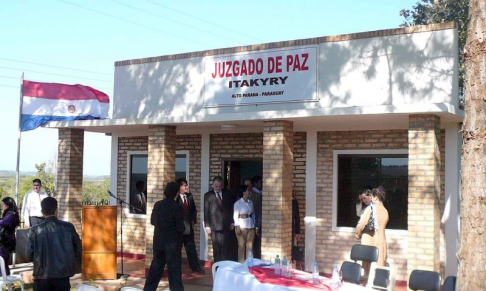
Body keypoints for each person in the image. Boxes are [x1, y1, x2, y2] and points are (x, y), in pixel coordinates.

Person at [27, 197, 82, 291]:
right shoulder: (68, 227)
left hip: (42, 276)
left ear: (42, 212)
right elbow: (78, 249)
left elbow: (29, 254)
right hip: (62, 274)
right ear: (57, 210)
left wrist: (39, 263)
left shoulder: (34, 230)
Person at [144, 182, 185, 291]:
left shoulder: (158, 204)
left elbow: (153, 221)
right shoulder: (177, 207)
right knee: (174, 272)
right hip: (172, 244)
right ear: (176, 193)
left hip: (158, 242)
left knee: (155, 269)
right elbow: (180, 228)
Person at [355, 186, 389, 275]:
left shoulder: (370, 209)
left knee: (368, 271)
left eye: (372, 197)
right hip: (381, 241)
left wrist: (357, 234)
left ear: (376, 197)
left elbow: (361, 224)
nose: (371, 199)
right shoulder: (385, 210)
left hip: (370, 242)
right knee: (379, 268)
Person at [176, 178, 205, 274]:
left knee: (191, 247)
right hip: (178, 229)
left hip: (188, 227)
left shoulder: (189, 196)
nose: (187, 187)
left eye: (187, 185)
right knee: (177, 249)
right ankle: (177, 269)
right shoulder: (176, 198)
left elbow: (194, 210)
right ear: (180, 187)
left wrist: (193, 220)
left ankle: (195, 267)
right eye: (185, 185)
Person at [204, 176, 235, 262]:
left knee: (226, 247)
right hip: (214, 226)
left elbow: (231, 209)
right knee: (216, 248)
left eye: (219, 186)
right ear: (213, 185)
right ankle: (217, 266)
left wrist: (232, 222)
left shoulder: (228, 194)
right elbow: (206, 211)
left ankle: (225, 266)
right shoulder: (208, 195)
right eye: (216, 186)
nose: (218, 188)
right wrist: (207, 226)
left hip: (226, 224)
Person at [233, 185, 256, 263]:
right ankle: (241, 263)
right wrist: (237, 226)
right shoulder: (238, 203)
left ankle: (249, 262)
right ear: (243, 192)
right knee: (241, 246)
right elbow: (235, 216)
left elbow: (253, 214)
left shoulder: (250, 202)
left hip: (250, 225)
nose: (249, 192)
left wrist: (254, 224)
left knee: (250, 245)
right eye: (247, 191)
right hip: (242, 226)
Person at [0, 197, 20, 275]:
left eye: (3, 204)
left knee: (2, 261)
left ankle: (6, 281)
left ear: (7, 205)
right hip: (7, 242)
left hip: (6, 242)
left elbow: (6, 221)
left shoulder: (10, 214)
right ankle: (9, 284)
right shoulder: (11, 213)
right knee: (4, 263)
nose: (2, 206)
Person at [250, 175, 262, 259]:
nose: (262, 184)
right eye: (261, 182)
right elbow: (255, 209)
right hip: (254, 221)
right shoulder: (255, 195)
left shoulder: (259, 193)